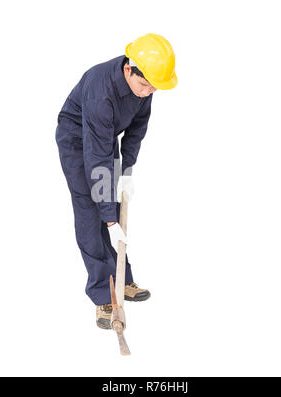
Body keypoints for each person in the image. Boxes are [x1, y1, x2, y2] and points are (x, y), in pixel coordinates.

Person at [55, 33, 177, 329]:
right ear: (128, 69)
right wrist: (110, 219)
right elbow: (95, 157)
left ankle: (123, 279)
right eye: (144, 85)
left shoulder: (144, 87)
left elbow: (136, 130)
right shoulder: (101, 90)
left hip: (103, 138)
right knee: (91, 213)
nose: (148, 92)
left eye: (153, 87)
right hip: (77, 141)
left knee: (109, 203)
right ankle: (102, 295)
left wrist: (126, 172)